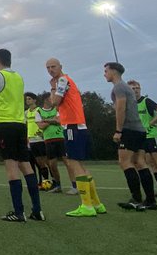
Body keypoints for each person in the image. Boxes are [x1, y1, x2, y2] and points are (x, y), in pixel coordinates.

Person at [0, 50, 44, 223]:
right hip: (20, 125)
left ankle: (18, 212)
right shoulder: (19, 77)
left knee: (11, 166)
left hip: (5, 124)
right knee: (26, 165)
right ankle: (37, 210)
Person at [45, 58, 105, 217]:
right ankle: (97, 204)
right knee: (81, 166)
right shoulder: (67, 80)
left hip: (72, 126)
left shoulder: (63, 80)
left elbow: (54, 102)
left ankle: (87, 206)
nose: (50, 70)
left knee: (73, 164)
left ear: (60, 67)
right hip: (77, 126)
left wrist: (52, 88)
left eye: (53, 66)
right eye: (48, 67)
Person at [104, 63, 157, 212]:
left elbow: (121, 108)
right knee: (140, 162)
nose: (104, 74)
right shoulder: (126, 88)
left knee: (125, 162)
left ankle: (136, 199)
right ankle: (151, 200)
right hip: (139, 129)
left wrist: (118, 130)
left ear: (114, 71)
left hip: (129, 129)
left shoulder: (119, 87)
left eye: (106, 71)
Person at [35, 97, 64, 192]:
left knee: (68, 162)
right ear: (45, 100)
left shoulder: (57, 109)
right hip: (49, 140)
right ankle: (58, 185)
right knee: (52, 165)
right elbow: (41, 126)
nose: (53, 100)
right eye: (51, 98)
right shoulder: (38, 111)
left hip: (61, 138)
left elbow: (59, 120)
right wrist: (53, 120)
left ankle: (75, 185)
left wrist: (46, 120)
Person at [23, 94, 48, 187]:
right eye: (26, 99)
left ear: (35, 100)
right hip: (31, 140)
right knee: (34, 162)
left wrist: (42, 132)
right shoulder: (26, 113)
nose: (27, 101)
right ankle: (38, 183)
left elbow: (45, 122)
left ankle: (47, 181)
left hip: (41, 139)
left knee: (44, 163)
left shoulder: (39, 110)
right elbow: (25, 126)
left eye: (29, 99)